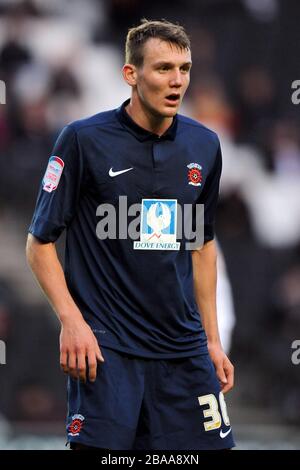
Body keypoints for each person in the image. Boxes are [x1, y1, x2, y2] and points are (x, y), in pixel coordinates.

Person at [26, 19, 235, 450]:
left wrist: (212, 341)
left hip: (183, 350)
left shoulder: (204, 146)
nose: (177, 81)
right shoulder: (83, 140)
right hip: (109, 351)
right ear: (131, 74)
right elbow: (39, 242)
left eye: (185, 68)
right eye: (163, 69)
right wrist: (72, 321)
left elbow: (201, 246)